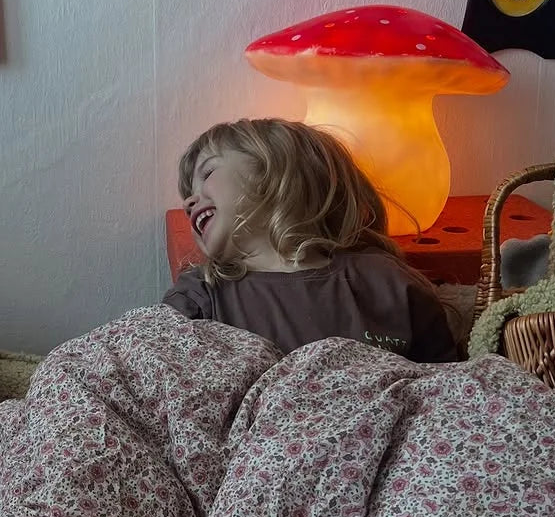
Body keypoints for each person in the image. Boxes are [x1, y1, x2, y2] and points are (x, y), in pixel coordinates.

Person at [164, 118, 460, 363]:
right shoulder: (201, 297)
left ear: (278, 172)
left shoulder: (386, 282)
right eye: (189, 192)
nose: (190, 201)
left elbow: (446, 392)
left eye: (209, 172)